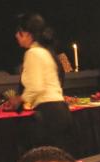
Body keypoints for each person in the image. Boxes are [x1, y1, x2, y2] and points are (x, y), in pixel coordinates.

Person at [9, 13, 74, 152]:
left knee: (46, 161)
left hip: (49, 114)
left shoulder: (33, 53)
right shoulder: (46, 52)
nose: (16, 36)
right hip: (61, 111)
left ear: (28, 34)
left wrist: (18, 99)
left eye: (19, 32)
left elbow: (35, 87)